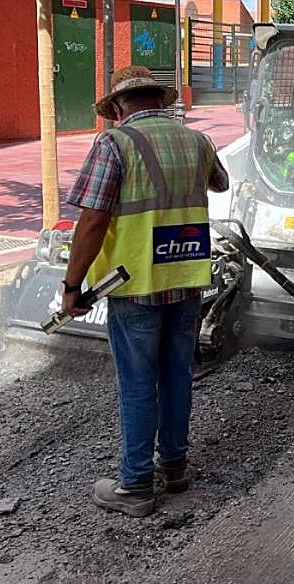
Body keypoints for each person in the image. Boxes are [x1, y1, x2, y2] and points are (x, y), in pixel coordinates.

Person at [63, 66, 229, 517]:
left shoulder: (114, 144)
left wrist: (72, 286)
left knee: (138, 383)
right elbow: (221, 183)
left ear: (118, 106)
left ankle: (135, 485)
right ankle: (174, 467)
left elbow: (93, 220)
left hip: (135, 281)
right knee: (176, 375)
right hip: (186, 276)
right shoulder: (197, 141)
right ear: (160, 100)